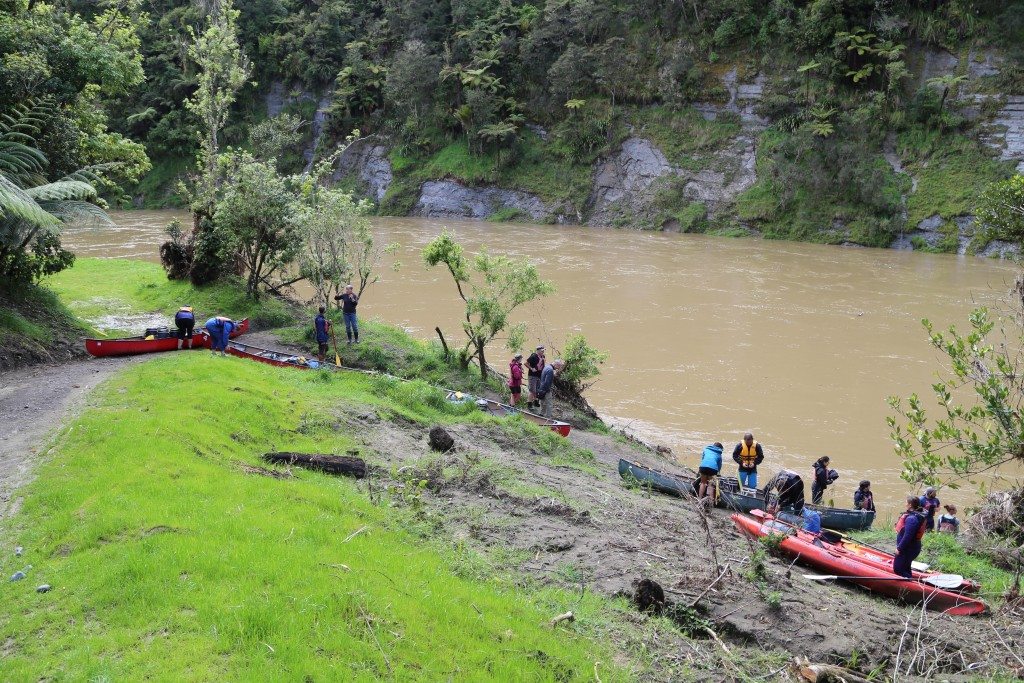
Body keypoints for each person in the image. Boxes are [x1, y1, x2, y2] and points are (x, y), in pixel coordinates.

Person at [894, 496, 927, 578]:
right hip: (911, 547)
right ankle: (909, 579)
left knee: (898, 569)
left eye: (906, 502)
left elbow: (908, 535)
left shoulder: (912, 519)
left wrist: (899, 548)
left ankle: (909, 582)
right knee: (905, 567)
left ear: (910, 505)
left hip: (908, 548)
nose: (905, 504)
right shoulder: (914, 515)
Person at [526, 346, 545, 410]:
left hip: (539, 376)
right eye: (542, 351)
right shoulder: (533, 356)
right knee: (532, 390)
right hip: (532, 375)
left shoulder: (543, 357)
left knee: (537, 390)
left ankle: (536, 402)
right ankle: (529, 404)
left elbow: (543, 366)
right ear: (538, 351)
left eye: (543, 350)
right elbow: (525, 363)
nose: (543, 352)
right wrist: (531, 368)